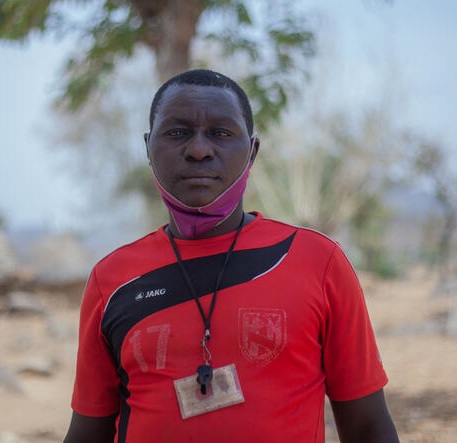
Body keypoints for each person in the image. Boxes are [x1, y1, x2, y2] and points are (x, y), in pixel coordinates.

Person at [64, 69, 398, 443]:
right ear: (147, 148)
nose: (199, 150)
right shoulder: (111, 278)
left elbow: (368, 426)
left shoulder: (318, 262)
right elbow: (87, 434)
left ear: (252, 151)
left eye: (221, 133)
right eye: (177, 133)